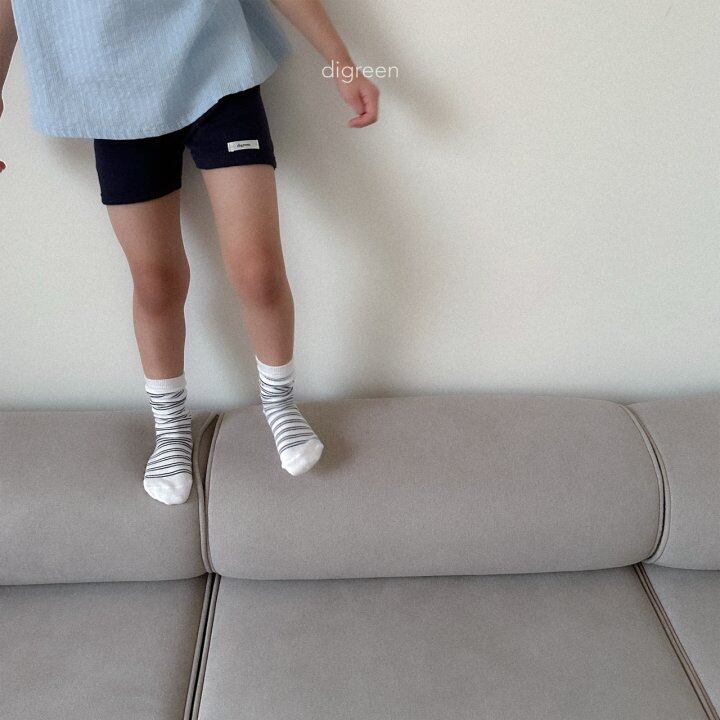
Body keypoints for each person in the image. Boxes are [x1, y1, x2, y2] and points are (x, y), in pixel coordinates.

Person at [0, 0, 379, 504]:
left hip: (215, 69)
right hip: (111, 95)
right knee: (156, 285)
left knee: (258, 270)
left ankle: (280, 404)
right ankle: (170, 429)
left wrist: (341, 61)